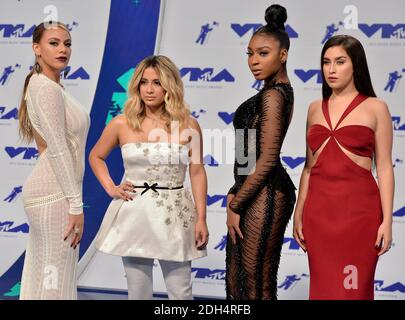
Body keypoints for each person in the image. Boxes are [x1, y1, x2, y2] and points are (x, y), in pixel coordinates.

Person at [89, 55, 208, 300]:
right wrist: (111, 187)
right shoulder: (121, 123)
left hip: (174, 215)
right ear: (137, 86)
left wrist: (202, 218)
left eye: (157, 82)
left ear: (170, 86)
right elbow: (95, 156)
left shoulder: (189, 125)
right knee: (138, 292)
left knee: (181, 293)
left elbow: (197, 171)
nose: (150, 89)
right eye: (144, 82)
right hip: (135, 214)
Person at [293, 35, 394, 300]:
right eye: (326, 62)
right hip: (319, 216)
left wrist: (387, 221)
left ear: (356, 65)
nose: (331, 69)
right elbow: (308, 167)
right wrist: (298, 212)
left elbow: (384, 168)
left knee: (354, 292)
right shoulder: (315, 108)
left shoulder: (376, 108)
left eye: (340, 62)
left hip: (359, 217)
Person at [226, 4, 296, 300]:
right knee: (237, 280)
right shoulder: (264, 94)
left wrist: (235, 205)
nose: (254, 61)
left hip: (267, 192)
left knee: (255, 283)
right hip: (250, 191)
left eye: (263, 53)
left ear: (283, 55)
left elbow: (266, 159)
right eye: (250, 53)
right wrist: (234, 190)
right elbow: (246, 152)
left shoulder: (274, 96)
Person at [19, 21, 90, 299]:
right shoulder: (44, 88)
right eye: (54, 43)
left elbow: (46, 146)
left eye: (67, 43)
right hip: (55, 197)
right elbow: (58, 149)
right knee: (54, 282)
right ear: (36, 48)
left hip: (53, 192)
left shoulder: (48, 86)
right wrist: (74, 203)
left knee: (46, 280)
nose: (63, 49)